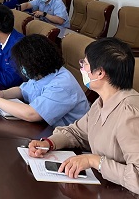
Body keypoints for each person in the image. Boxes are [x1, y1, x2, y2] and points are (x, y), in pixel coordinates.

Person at [28, 38, 139, 194]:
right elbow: (77, 132)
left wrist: (95, 161)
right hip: (106, 187)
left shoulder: (130, 114)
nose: (82, 68)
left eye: (84, 63)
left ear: (100, 73)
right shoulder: (101, 102)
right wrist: (49, 143)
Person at [0, 34, 89, 124]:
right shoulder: (41, 73)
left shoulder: (62, 84)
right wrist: (2, 94)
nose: (22, 68)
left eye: (23, 64)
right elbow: (23, 90)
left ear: (36, 62)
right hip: (46, 129)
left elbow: (32, 114)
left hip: (69, 141)